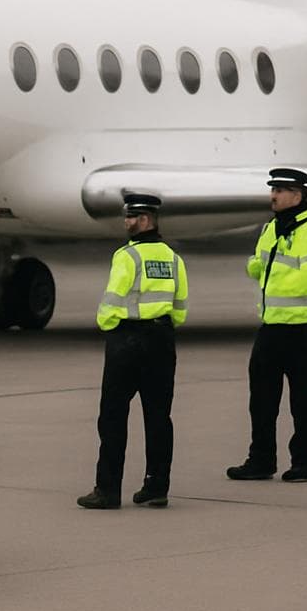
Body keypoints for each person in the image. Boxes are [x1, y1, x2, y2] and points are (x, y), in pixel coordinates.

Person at [78, 193, 188, 510]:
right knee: (158, 417)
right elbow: (180, 307)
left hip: (127, 340)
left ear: (145, 220)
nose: (126, 222)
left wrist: (108, 326)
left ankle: (108, 490)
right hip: (162, 340)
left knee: (113, 416)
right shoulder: (173, 258)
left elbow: (112, 299)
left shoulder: (128, 256)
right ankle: (156, 487)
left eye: (131, 217)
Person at [226, 167, 307, 483]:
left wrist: (271, 274)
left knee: (302, 400)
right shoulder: (272, 227)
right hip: (271, 326)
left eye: (279, 191)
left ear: (297, 195)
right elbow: (258, 264)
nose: (273, 196)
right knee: (261, 399)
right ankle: (261, 460)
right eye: (272, 190)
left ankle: (302, 462)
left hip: (300, 328)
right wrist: (257, 267)